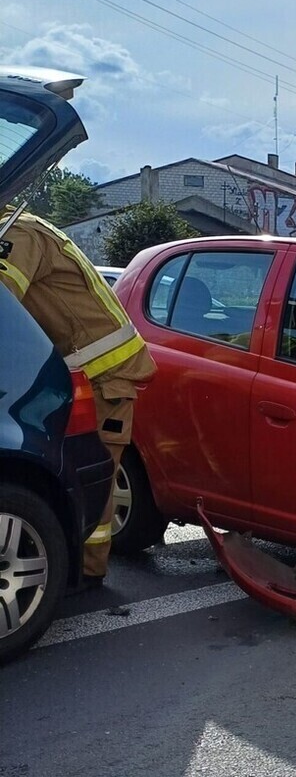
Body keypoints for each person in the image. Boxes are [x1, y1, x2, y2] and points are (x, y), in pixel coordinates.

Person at [0, 208, 157, 590]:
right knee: (87, 468)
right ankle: (84, 562)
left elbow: (4, 296)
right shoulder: (25, 228)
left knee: (95, 467)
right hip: (90, 370)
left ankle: (89, 571)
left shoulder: (19, 233)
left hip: (107, 374)